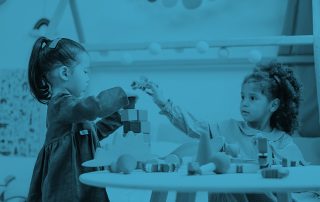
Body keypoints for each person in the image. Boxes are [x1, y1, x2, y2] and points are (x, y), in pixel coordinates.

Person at [133, 63, 305, 202]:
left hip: (263, 195)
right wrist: (163, 102)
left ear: (273, 105)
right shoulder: (228, 128)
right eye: (242, 97)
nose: (244, 103)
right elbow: (193, 127)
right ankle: (160, 163)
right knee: (197, 150)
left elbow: (302, 182)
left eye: (252, 98)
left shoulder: (283, 142)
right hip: (227, 196)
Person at [27, 37, 129, 202]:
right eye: (85, 71)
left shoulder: (73, 110)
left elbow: (93, 133)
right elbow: (91, 108)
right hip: (66, 183)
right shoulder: (61, 103)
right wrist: (121, 95)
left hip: (83, 183)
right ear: (65, 73)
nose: (88, 78)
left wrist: (120, 115)